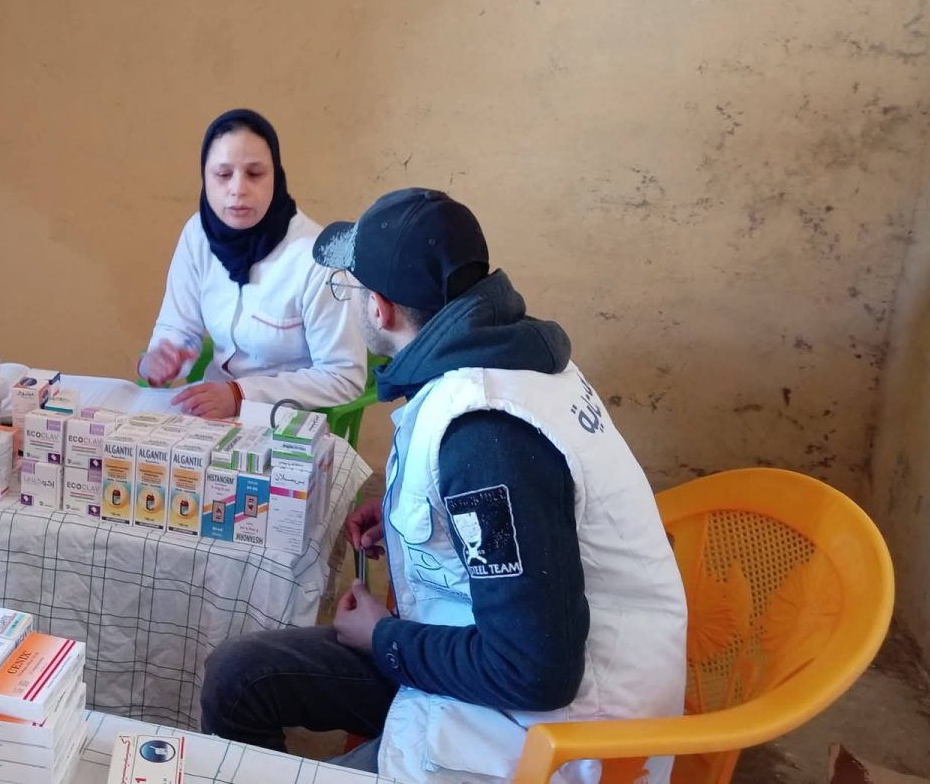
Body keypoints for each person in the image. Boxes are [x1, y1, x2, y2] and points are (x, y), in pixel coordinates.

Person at [199, 188, 688, 784]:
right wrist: (413, 522)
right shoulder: (501, 357)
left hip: (555, 729)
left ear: (380, 309)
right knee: (240, 677)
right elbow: (511, 523)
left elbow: (536, 671)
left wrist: (383, 637)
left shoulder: (486, 433)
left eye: (351, 289)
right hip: (483, 659)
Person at [139, 109, 366, 419]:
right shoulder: (198, 234)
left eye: (255, 174)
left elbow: (344, 376)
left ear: (276, 176)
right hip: (211, 412)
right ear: (205, 176)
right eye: (222, 175)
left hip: (290, 420)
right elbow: (178, 328)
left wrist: (241, 395)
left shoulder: (318, 258)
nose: (238, 189)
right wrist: (159, 360)